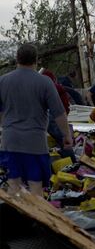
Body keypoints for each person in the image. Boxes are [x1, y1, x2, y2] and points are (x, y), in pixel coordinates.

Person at [0, 44, 72, 196]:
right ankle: (35, 219)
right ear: (36, 60)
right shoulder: (45, 82)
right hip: (34, 144)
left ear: (17, 59)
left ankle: (15, 218)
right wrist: (66, 135)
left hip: (10, 142)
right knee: (36, 188)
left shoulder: (3, 81)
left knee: (14, 187)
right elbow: (59, 113)